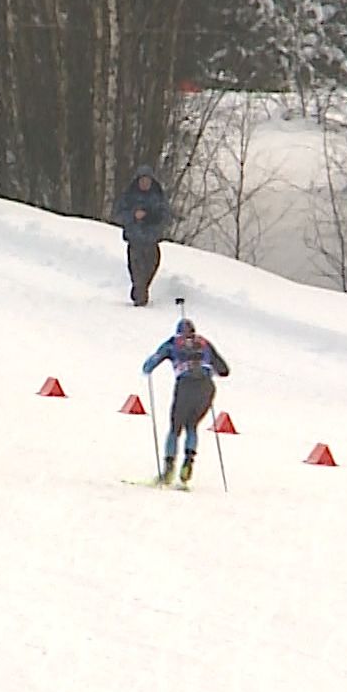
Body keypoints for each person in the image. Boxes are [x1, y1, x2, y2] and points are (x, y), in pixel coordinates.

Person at [141, 318, 232, 486]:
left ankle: (168, 468)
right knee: (192, 425)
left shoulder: (173, 343)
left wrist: (148, 370)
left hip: (185, 385)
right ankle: (188, 462)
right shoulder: (204, 343)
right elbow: (224, 370)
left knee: (175, 428)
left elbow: (151, 362)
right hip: (206, 387)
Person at [111, 166, 171, 306]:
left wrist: (153, 220)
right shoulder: (129, 196)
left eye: (147, 180)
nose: (145, 183)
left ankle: (140, 290)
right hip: (135, 240)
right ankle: (140, 296)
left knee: (151, 266)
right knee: (137, 270)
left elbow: (166, 216)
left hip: (151, 240)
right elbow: (118, 214)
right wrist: (133, 215)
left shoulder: (158, 196)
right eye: (142, 180)